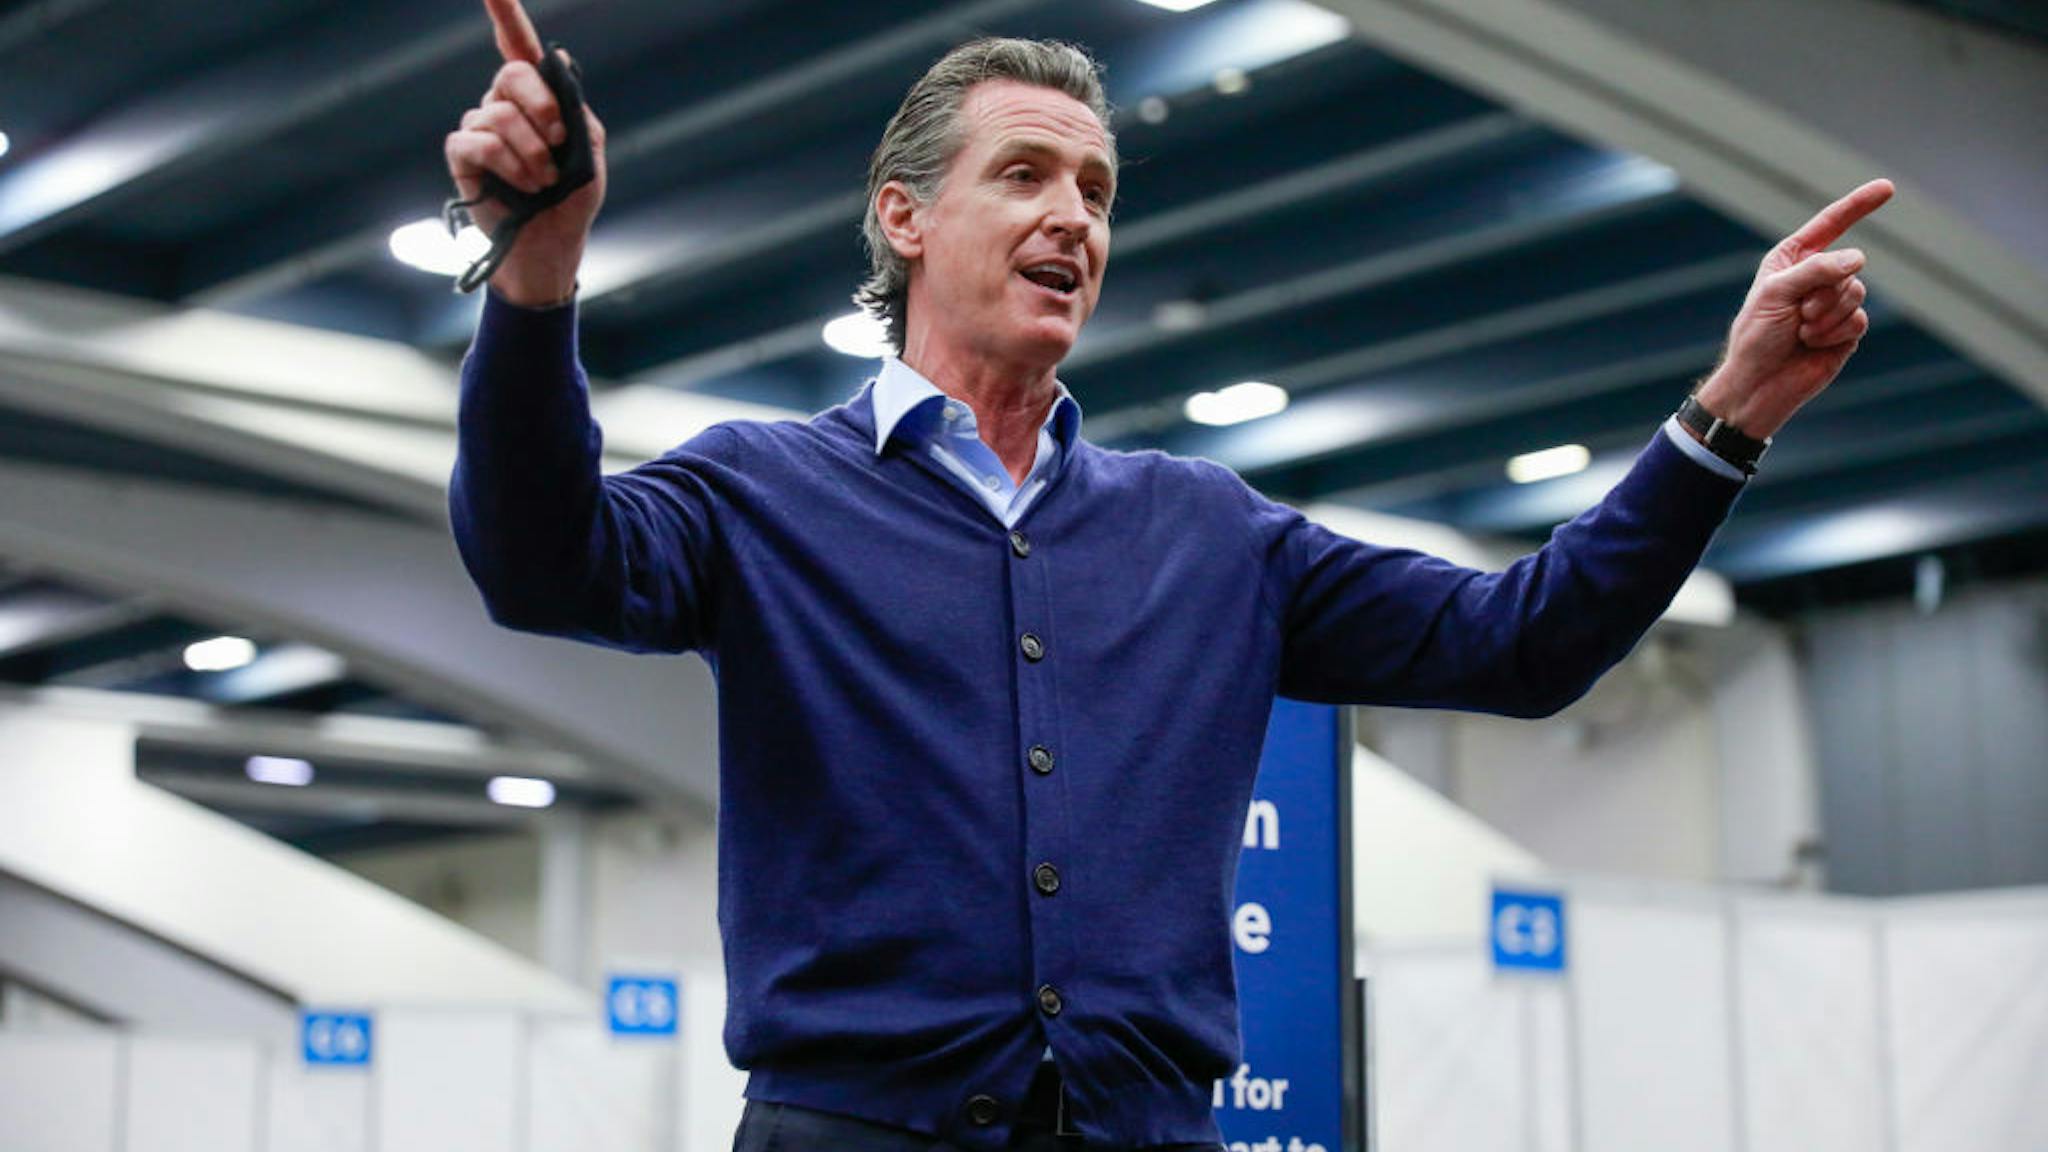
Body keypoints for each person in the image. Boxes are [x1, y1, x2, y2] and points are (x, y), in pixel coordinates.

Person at [444, 2, 1890, 1149]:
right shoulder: (763, 493)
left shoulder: (1209, 532)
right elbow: (537, 562)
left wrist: (1735, 409)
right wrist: (541, 269)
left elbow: (1526, 642)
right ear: (904, 217)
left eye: (1096, 189)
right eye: (1023, 175)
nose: (1074, 217)